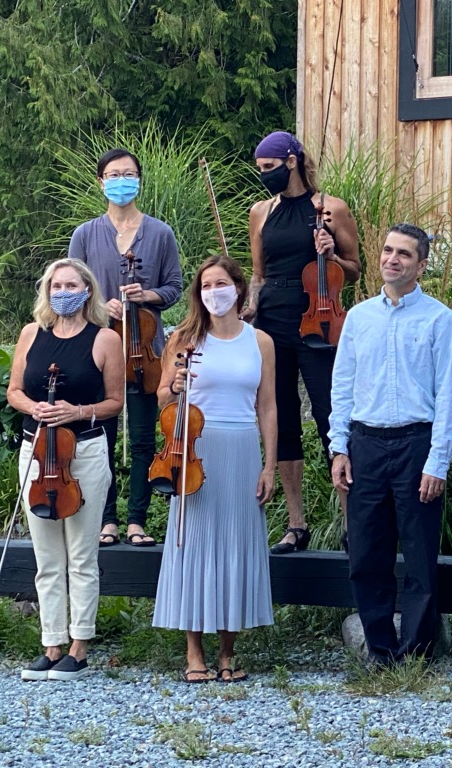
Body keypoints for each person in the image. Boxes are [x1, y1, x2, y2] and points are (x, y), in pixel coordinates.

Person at [329, 224, 452, 663]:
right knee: (367, 553)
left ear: (421, 265)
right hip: (365, 444)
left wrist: (437, 461)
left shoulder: (439, 319)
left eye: (404, 253)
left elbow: (448, 395)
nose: (392, 259)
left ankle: (418, 651)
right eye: (388, 250)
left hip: (416, 445)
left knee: (420, 553)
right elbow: (342, 386)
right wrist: (339, 447)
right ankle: (380, 650)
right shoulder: (359, 318)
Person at [152, 255, 277, 683]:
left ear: (238, 288)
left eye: (220, 284)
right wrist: (174, 387)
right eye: (205, 286)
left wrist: (270, 465)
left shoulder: (260, 342)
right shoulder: (184, 339)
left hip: (241, 447)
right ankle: (193, 652)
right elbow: (162, 398)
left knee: (236, 544)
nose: (213, 292)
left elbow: (267, 406)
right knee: (194, 544)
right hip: (195, 448)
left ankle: (227, 652)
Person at [8, 258, 124, 681]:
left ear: (87, 290)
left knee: (81, 553)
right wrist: (34, 406)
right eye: (56, 286)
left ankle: (80, 646)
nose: (63, 292)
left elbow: (115, 402)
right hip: (37, 452)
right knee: (47, 555)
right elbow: (15, 391)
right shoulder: (31, 334)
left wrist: (78, 410)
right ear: (47, 290)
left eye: (71, 285)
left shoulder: (105, 339)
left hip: (85, 451)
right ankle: (51, 643)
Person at [248, 130, 360, 554]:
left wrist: (331, 255)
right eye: (260, 169)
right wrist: (250, 306)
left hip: (320, 319)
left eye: (269, 168)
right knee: (281, 418)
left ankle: (351, 522)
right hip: (272, 320)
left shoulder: (331, 208)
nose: (265, 175)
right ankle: (296, 523)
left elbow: (355, 269)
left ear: (291, 161)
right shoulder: (261, 212)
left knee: (332, 416)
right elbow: (259, 274)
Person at [68, 148, 183, 548]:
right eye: (114, 175)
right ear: (101, 182)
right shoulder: (85, 235)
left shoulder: (161, 233)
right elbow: (71, 287)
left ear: (139, 179)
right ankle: (107, 520)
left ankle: (137, 520)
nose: (122, 181)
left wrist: (146, 294)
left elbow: (174, 287)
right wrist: (101, 306)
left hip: (144, 353)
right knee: (101, 438)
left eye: (129, 174)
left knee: (143, 440)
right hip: (99, 351)